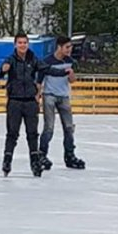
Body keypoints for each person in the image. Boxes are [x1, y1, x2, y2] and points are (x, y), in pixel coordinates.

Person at [0, 33, 73, 177]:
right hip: (15, 101)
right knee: (12, 133)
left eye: (25, 42)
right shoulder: (11, 60)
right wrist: (2, 70)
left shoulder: (33, 59)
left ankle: (35, 162)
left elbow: (48, 69)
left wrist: (63, 72)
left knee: (32, 134)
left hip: (30, 102)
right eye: (20, 43)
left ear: (28, 44)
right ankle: (7, 161)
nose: (23, 45)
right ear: (15, 45)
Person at [37, 35, 85, 170]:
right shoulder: (47, 61)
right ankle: (42, 154)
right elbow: (39, 81)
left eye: (70, 47)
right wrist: (37, 96)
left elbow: (72, 80)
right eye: (67, 47)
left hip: (64, 96)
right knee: (49, 128)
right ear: (59, 47)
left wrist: (71, 74)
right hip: (49, 96)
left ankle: (69, 155)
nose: (69, 50)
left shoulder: (70, 61)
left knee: (69, 127)